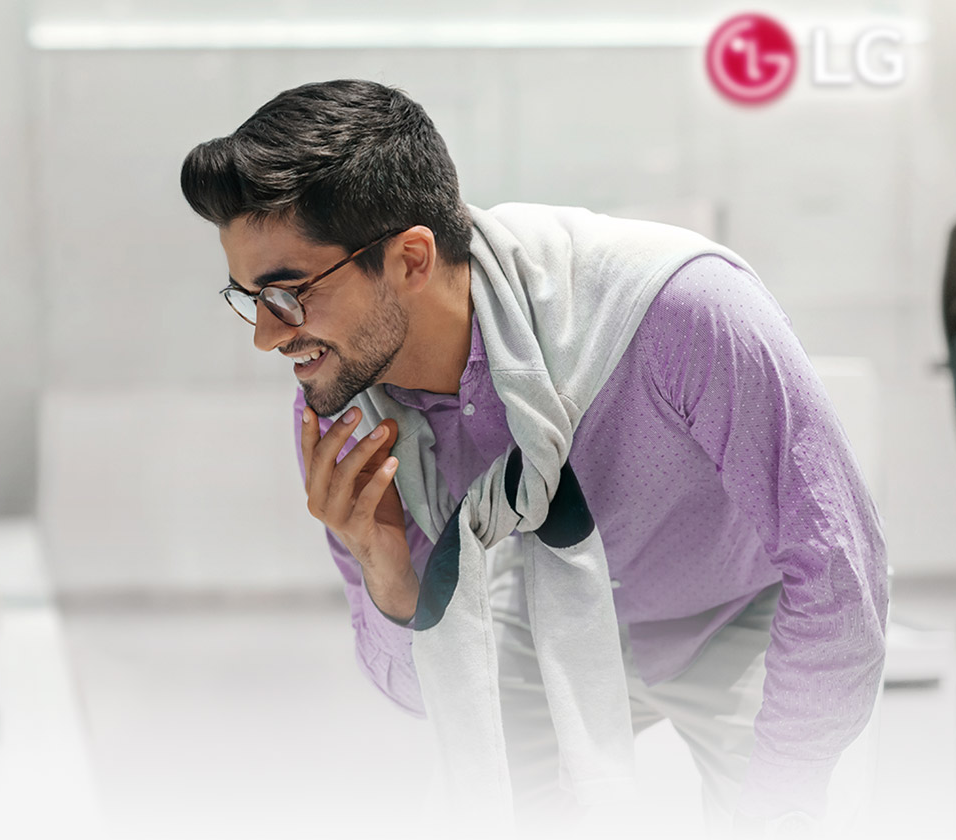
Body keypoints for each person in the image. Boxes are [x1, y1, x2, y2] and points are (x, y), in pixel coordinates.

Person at [179, 79, 887, 837]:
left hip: (740, 610)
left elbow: (840, 573)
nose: (266, 335)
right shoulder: (343, 403)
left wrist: (782, 799)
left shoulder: (681, 312)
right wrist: (388, 572)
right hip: (546, 605)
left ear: (411, 258)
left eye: (288, 293)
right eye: (249, 297)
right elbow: (426, 698)